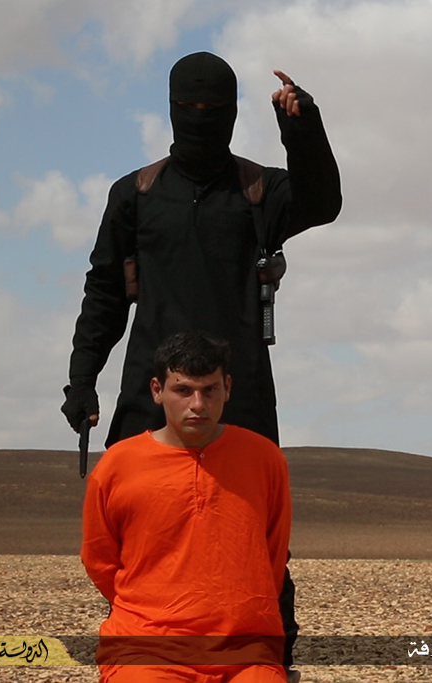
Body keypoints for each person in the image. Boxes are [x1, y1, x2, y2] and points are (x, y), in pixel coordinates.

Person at [62, 51, 340, 673]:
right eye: (189, 108)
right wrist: (82, 379)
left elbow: (323, 202)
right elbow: (104, 292)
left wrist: (302, 127)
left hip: (239, 393)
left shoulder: (259, 191)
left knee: (253, 533)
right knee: (140, 529)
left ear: (233, 113)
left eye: (213, 109)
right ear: (170, 109)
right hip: (150, 391)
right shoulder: (136, 195)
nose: (200, 118)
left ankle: (267, 660)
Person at [82, 331, 292, 683]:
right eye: (183, 390)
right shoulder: (118, 465)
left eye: (209, 390)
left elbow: (272, 553)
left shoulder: (264, 459)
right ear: (157, 390)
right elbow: (99, 558)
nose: (198, 404)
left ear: (227, 388)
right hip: (146, 647)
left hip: (246, 649)